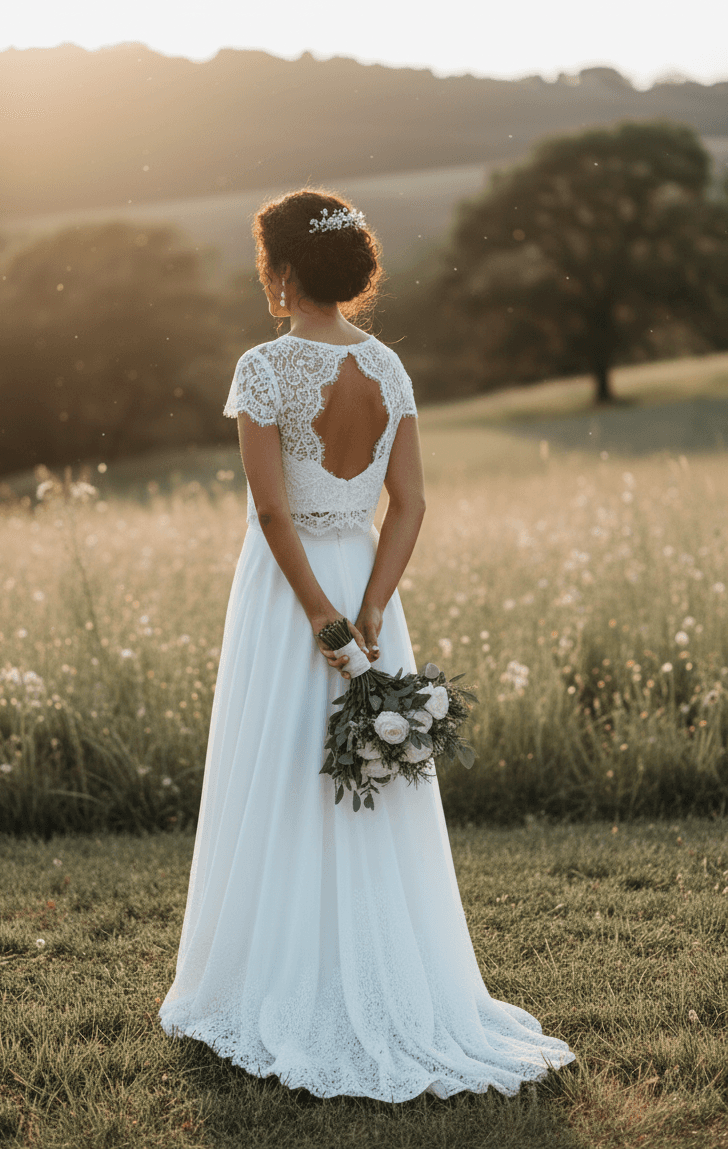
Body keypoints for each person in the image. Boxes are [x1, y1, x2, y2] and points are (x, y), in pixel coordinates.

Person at [158, 189, 575, 1100]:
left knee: (281, 769)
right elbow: (411, 501)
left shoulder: (264, 368)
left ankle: (276, 975)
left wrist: (319, 615)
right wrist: (374, 607)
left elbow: (270, 508)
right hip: (367, 587)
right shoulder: (389, 366)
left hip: (289, 593)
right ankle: (386, 976)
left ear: (283, 271)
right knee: (366, 786)